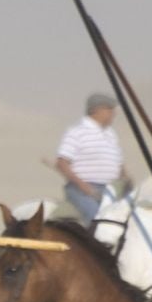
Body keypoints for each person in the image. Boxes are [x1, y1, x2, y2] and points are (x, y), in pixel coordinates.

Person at [54, 93, 124, 226]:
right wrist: (83, 186)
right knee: (98, 219)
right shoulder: (76, 132)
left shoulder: (111, 134)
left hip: (110, 190)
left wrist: (125, 180)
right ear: (96, 110)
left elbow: (119, 163)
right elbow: (62, 163)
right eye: (109, 109)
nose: (113, 114)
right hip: (82, 190)